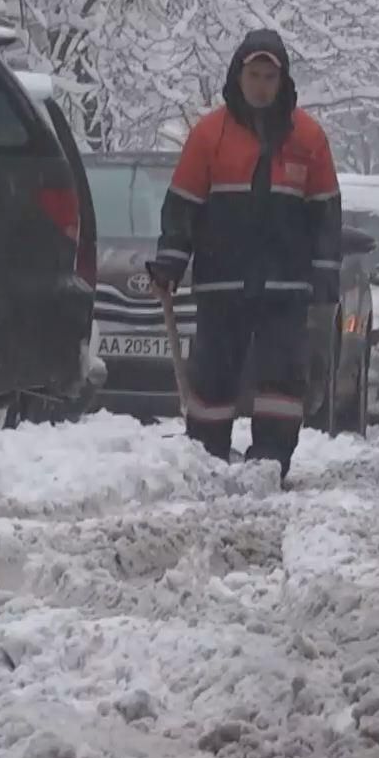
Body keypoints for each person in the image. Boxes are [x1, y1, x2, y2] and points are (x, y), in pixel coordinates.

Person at [147, 29, 341, 482]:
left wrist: (324, 281)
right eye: (253, 75)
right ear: (238, 76)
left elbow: (326, 216)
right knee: (214, 375)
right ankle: (208, 459)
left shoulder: (308, 139)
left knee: (280, 379)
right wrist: (170, 263)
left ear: (282, 81)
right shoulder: (208, 136)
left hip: (286, 288)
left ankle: (270, 460)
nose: (260, 85)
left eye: (268, 77)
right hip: (222, 283)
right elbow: (183, 208)